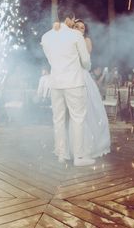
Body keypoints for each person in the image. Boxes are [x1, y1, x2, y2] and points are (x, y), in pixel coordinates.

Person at [41, 12, 94, 166]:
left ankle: (61, 154)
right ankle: (79, 157)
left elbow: (50, 59)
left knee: (58, 120)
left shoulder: (46, 37)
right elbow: (85, 61)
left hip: (56, 83)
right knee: (77, 119)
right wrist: (86, 67)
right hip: (74, 83)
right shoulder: (76, 36)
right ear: (69, 19)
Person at [72, 19, 110, 159]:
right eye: (77, 26)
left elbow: (86, 59)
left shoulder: (86, 40)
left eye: (82, 28)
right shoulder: (68, 41)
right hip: (71, 76)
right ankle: (74, 147)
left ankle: (91, 144)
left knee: (89, 109)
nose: (79, 29)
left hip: (82, 76)